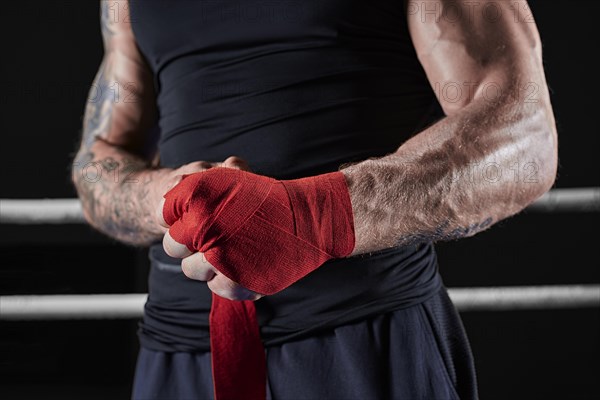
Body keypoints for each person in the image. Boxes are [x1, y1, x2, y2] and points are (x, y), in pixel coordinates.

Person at [72, 0, 557, 399]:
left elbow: (523, 135)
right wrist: (169, 199)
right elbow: (99, 161)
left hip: (361, 334)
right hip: (178, 349)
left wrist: (306, 219)